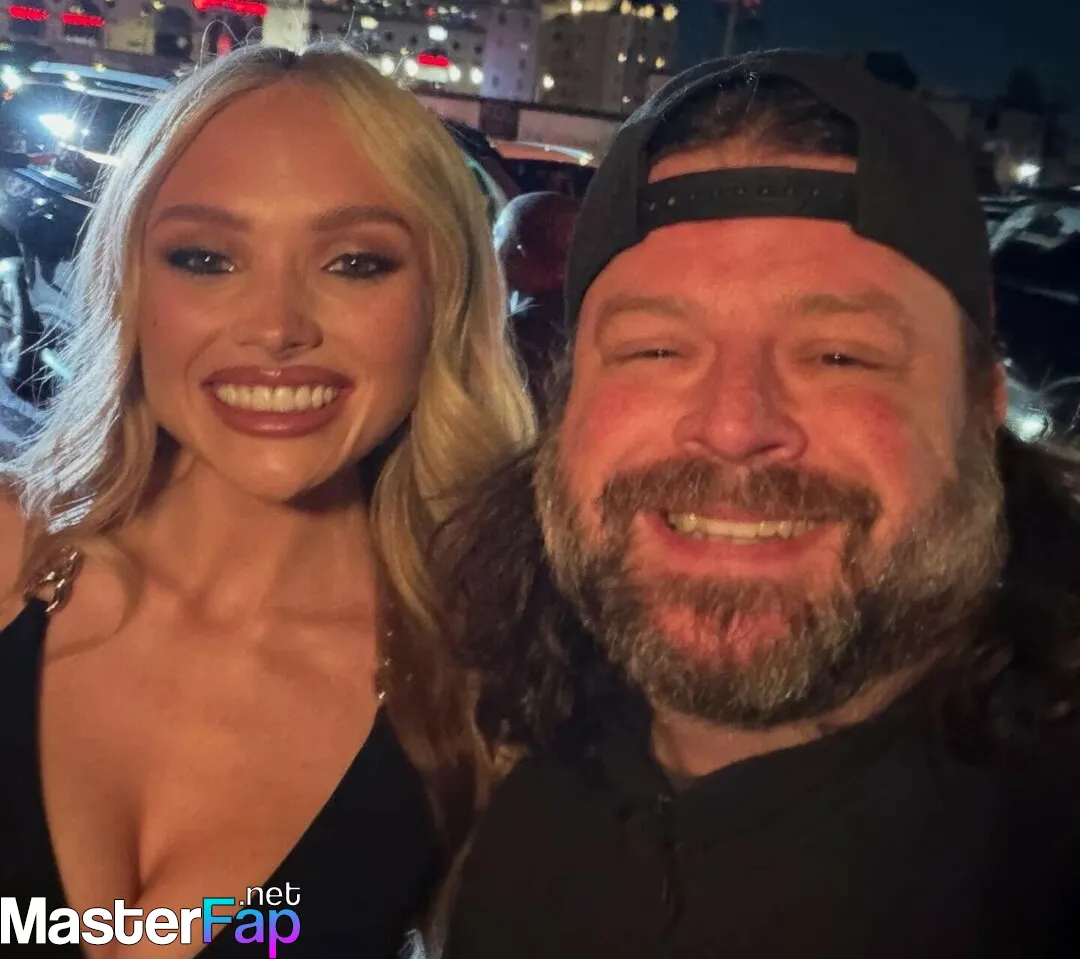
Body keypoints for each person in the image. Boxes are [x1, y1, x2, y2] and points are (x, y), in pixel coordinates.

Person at [439, 51, 1080, 958]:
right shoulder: (494, 749)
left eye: (840, 355)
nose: (736, 426)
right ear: (566, 397)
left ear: (982, 409)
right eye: (657, 350)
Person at [0, 43, 532, 957]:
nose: (279, 326)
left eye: (356, 262)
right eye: (206, 258)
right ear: (133, 287)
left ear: (442, 302)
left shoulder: (478, 697)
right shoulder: (10, 548)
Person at [493, 191, 580, 415]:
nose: (493, 248)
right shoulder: (589, 320)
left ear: (519, 252)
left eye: (497, 235)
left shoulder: (515, 338)